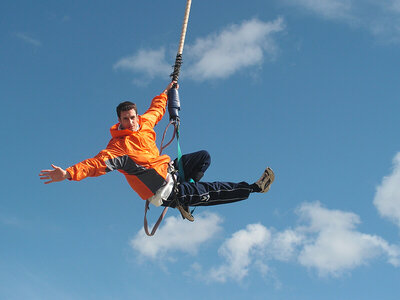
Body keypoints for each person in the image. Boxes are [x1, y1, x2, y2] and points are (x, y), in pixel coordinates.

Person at [39, 81, 275, 222]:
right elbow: (94, 164)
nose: (131, 122)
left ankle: (188, 189)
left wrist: (170, 88)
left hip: (171, 171)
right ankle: (254, 188)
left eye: (133, 117)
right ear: (119, 121)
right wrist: (68, 173)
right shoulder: (118, 149)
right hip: (166, 191)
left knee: (203, 157)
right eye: (126, 119)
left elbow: (157, 108)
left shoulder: (144, 124)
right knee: (213, 191)